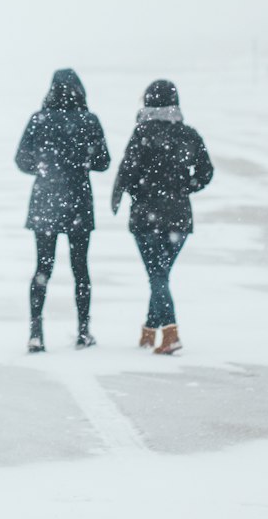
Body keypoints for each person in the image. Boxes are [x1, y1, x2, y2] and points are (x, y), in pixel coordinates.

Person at [111, 79, 214, 355]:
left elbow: (127, 173)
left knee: (157, 275)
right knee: (160, 274)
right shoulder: (188, 134)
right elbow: (206, 173)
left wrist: (138, 192)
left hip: (146, 217)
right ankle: (148, 332)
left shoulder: (142, 132)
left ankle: (170, 332)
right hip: (179, 217)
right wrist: (183, 187)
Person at [15, 69, 110, 353]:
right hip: (79, 200)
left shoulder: (39, 119)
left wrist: (44, 168)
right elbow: (103, 161)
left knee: (43, 268)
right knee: (80, 268)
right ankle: (83, 330)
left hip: (45, 200)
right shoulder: (89, 120)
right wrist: (79, 162)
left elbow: (21, 159)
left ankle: (36, 332)